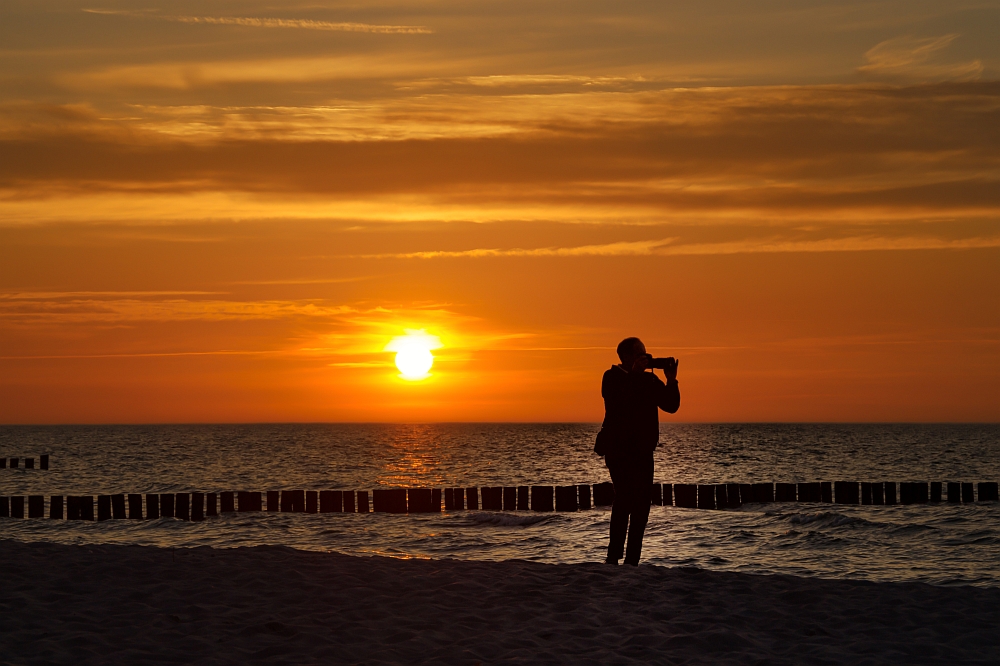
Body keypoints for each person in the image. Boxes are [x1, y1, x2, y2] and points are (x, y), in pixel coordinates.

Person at [598, 337, 680, 565]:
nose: (645, 358)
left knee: (642, 506)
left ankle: (633, 559)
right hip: (618, 450)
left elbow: (671, 406)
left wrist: (672, 380)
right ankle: (613, 556)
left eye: (646, 354)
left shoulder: (649, 380)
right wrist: (634, 374)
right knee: (624, 499)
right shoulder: (611, 377)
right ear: (626, 357)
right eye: (639, 354)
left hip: (643, 451)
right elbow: (618, 402)